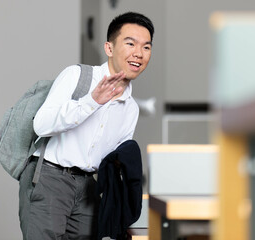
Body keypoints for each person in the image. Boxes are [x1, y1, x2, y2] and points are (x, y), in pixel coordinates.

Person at [18, 12, 154, 240]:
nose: (138, 54)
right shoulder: (77, 76)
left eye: (146, 47)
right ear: (109, 48)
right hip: (50, 178)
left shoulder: (130, 108)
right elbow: (41, 125)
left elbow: (113, 162)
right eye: (130, 43)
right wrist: (92, 101)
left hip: (89, 190)